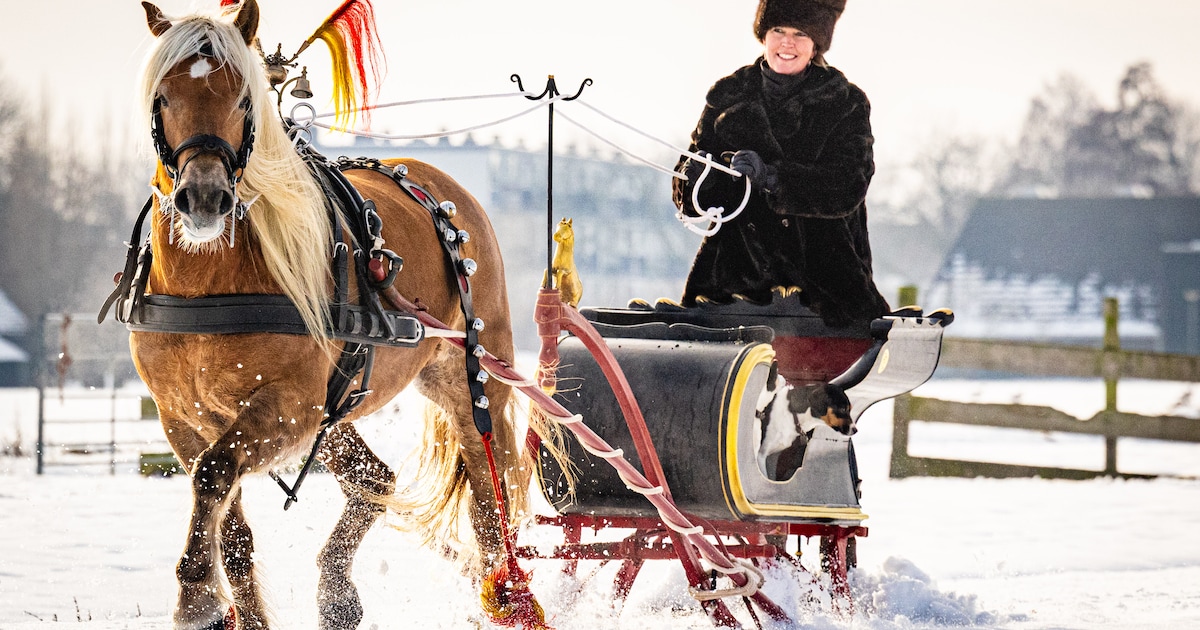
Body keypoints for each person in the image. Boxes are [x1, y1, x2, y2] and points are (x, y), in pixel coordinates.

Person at [673, 0, 890, 329]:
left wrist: (773, 177)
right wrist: (717, 174)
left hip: (825, 288)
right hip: (731, 284)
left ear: (816, 42)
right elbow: (687, 195)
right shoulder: (727, 95)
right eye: (778, 30)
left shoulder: (845, 101)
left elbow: (848, 186)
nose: (787, 42)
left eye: (800, 33)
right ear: (764, 35)